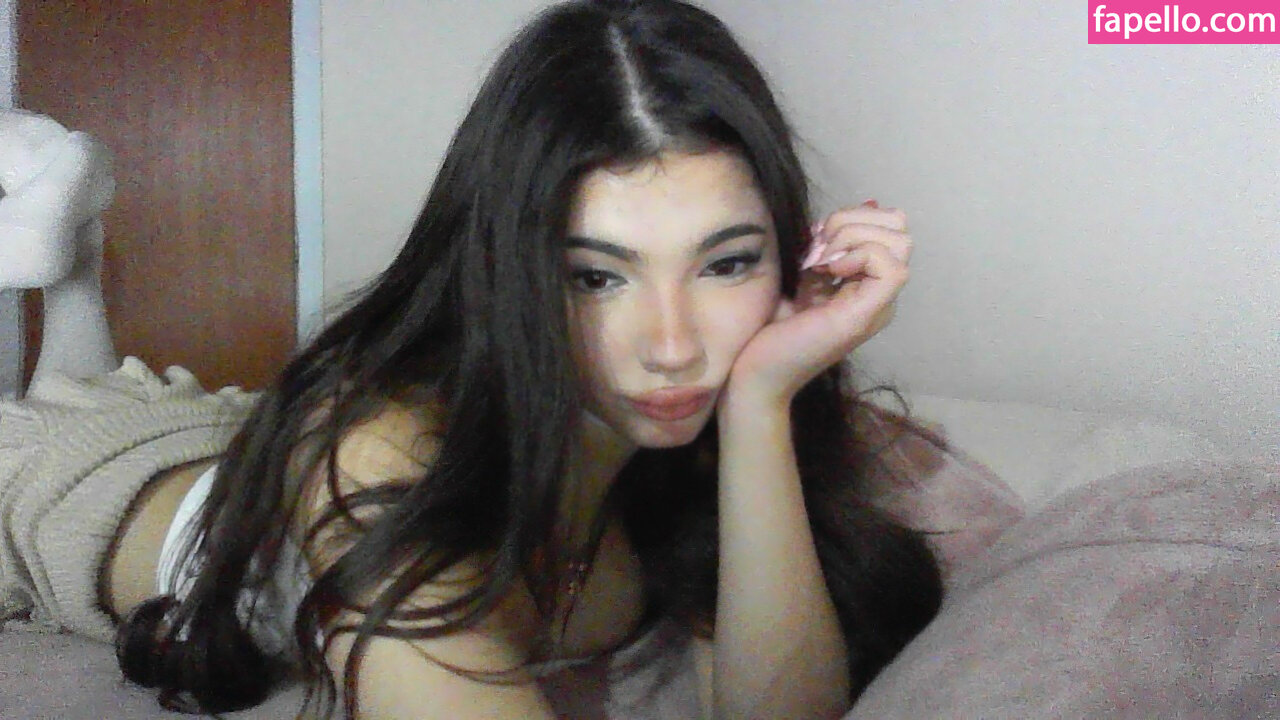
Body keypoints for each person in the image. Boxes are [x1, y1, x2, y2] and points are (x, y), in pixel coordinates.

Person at [1, 1, 958, 717]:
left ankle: (73, 260)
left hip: (235, 439)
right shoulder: (382, 463)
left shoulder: (696, 432)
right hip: (71, 484)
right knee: (51, 409)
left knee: (104, 386)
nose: (674, 349)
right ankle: (61, 252)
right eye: (595, 276)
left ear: (784, 251)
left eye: (726, 263)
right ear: (507, 267)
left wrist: (759, 406)